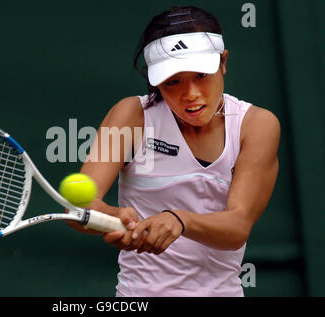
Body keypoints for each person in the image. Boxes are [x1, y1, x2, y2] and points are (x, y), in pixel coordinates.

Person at [67, 5, 280, 297]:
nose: (190, 93)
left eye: (201, 75)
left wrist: (180, 220)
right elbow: (78, 208)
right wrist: (114, 217)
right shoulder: (132, 115)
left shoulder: (256, 125)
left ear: (223, 62)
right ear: (157, 82)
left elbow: (238, 226)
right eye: (173, 81)